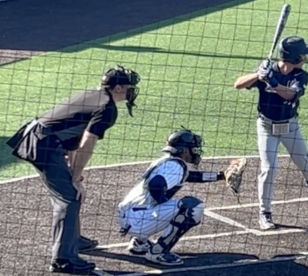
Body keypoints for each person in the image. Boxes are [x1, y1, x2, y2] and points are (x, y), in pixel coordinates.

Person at [5, 66, 141, 274]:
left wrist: (73, 171)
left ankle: (73, 239)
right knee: (69, 197)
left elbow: (73, 137)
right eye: (130, 87)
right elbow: (87, 143)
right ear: (119, 87)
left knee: (70, 193)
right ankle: (63, 259)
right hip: (43, 144)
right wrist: (75, 176)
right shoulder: (106, 108)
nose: (132, 91)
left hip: (42, 139)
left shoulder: (94, 95)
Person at [233, 36, 308, 230]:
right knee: (268, 169)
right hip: (266, 127)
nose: (305, 57)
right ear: (293, 56)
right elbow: (238, 84)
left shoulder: (301, 76)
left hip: (290, 127)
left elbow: (290, 94)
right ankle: (265, 213)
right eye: (303, 54)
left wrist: (273, 81)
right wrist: (258, 75)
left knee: (306, 166)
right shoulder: (269, 70)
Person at [118, 129, 229, 266]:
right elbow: (155, 185)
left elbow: (190, 176)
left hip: (129, 216)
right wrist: (163, 205)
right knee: (192, 208)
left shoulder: (167, 162)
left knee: (168, 205)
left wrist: (221, 175)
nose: (195, 151)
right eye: (193, 148)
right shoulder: (175, 167)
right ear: (184, 151)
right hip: (139, 220)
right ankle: (158, 251)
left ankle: (140, 242)